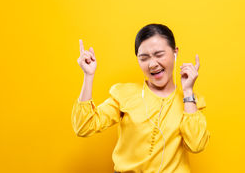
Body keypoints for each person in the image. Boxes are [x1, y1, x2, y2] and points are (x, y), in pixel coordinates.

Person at [71, 23, 210, 173]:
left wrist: (188, 91)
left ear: (175, 52)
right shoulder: (125, 94)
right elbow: (83, 127)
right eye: (144, 58)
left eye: (159, 55)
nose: (152, 64)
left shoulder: (190, 102)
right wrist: (88, 75)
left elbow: (196, 145)